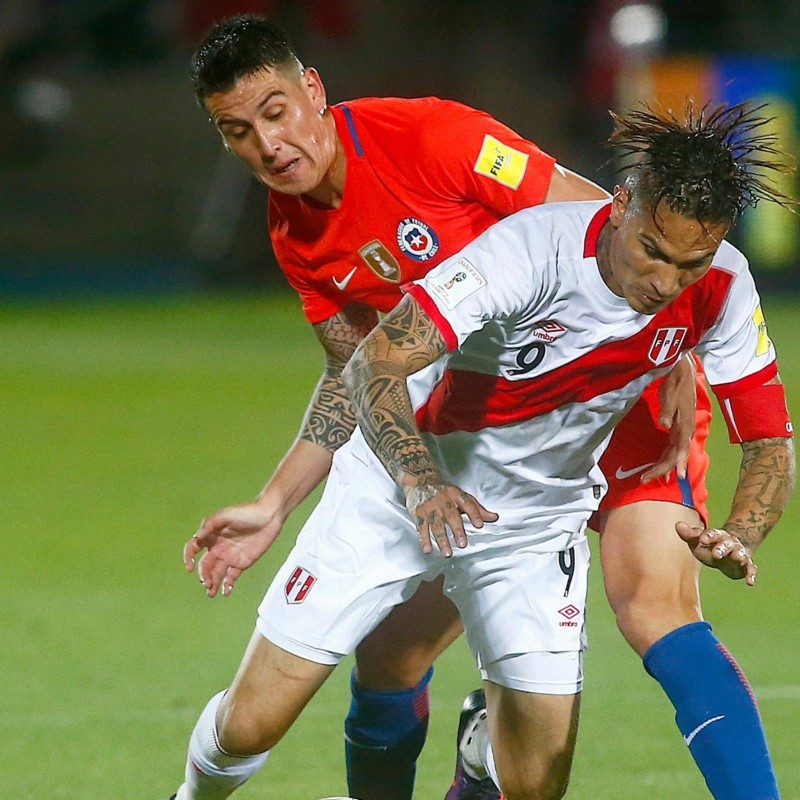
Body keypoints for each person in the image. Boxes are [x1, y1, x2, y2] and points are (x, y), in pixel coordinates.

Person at [168, 14, 777, 800]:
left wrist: (668, 345)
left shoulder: (427, 138)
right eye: (237, 131)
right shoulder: (297, 232)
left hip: (627, 388)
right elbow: (356, 372)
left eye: (276, 111)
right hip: (463, 431)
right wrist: (276, 500)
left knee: (655, 605)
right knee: (391, 658)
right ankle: (483, 752)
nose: (267, 143)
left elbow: (594, 217)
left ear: (313, 90)